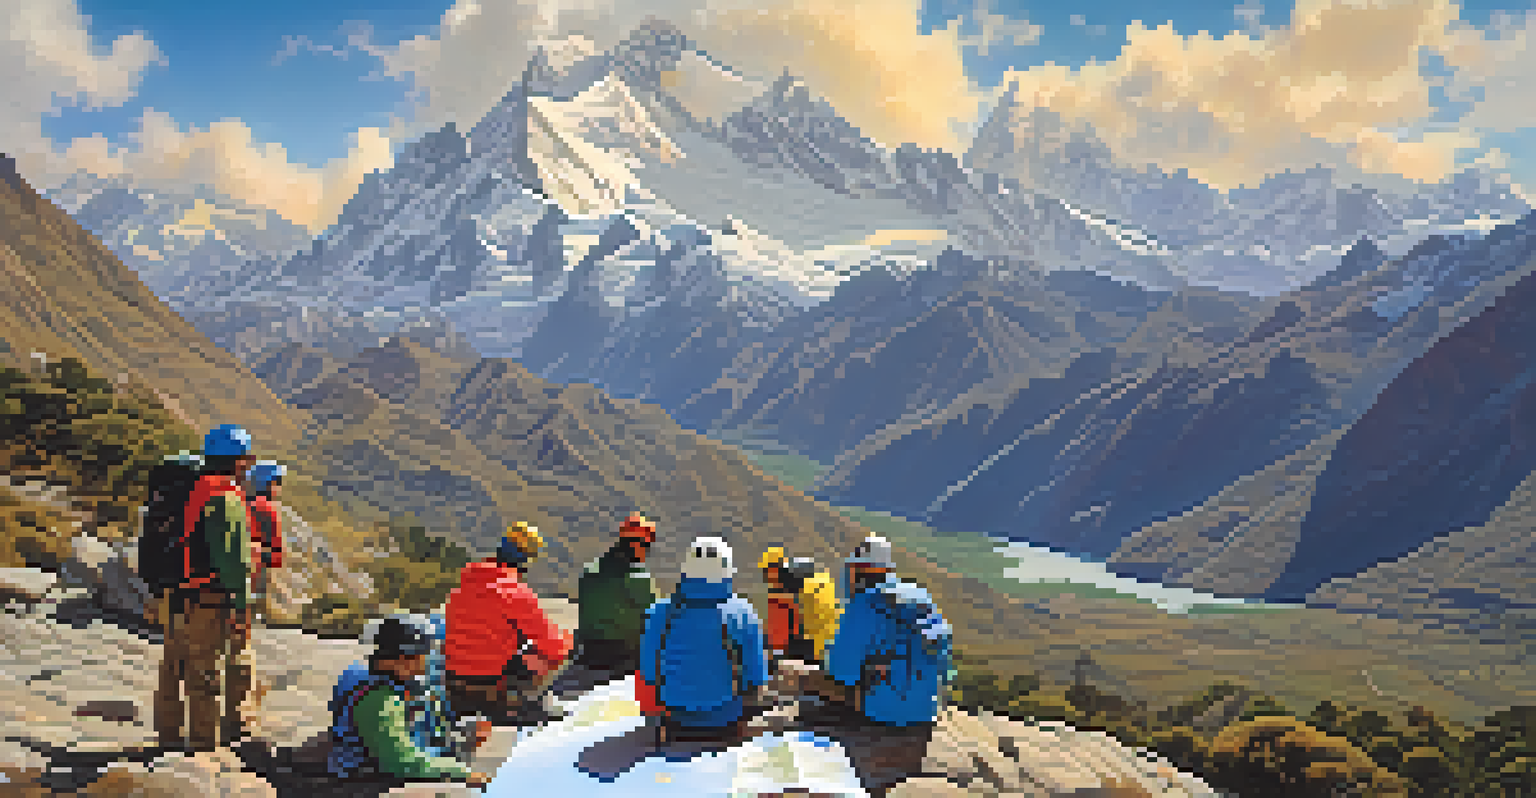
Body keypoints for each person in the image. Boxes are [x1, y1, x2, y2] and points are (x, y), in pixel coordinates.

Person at [812, 535, 955, 797]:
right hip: (925, 709)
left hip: (884, 712)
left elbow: (841, 672)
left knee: (807, 683)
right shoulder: (920, 596)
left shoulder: (863, 604)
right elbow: (945, 663)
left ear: (856, 571)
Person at [153, 424, 257, 752]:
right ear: (240, 461)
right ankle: (202, 748)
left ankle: (168, 738)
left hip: (176, 592)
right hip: (208, 598)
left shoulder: (190, 489)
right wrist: (241, 605)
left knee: (172, 668)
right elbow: (234, 561)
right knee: (204, 674)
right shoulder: (225, 498)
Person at [327, 614, 490, 790]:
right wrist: (462, 773)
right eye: (425, 653)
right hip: (368, 771)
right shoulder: (379, 700)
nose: (428, 660)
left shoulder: (363, 671)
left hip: (382, 749)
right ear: (405, 658)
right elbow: (402, 762)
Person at [444, 522, 574, 738]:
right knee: (561, 647)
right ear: (527, 560)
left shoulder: (462, 587)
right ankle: (520, 704)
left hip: (454, 684)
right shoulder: (514, 592)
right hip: (492, 684)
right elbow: (554, 647)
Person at [636, 536, 769, 744]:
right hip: (727, 720)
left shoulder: (660, 613)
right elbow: (756, 677)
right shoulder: (743, 613)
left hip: (675, 720)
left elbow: (648, 673)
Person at [574, 513, 658, 678]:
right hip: (623, 660)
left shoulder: (590, 571)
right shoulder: (639, 579)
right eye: (647, 546)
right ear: (636, 545)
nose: (647, 553)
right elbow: (654, 620)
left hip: (589, 654)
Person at [243, 461, 287, 626]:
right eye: (278, 482)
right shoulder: (266, 508)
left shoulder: (236, 501)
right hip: (253, 576)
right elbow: (275, 555)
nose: (279, 488)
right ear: (267, 483)